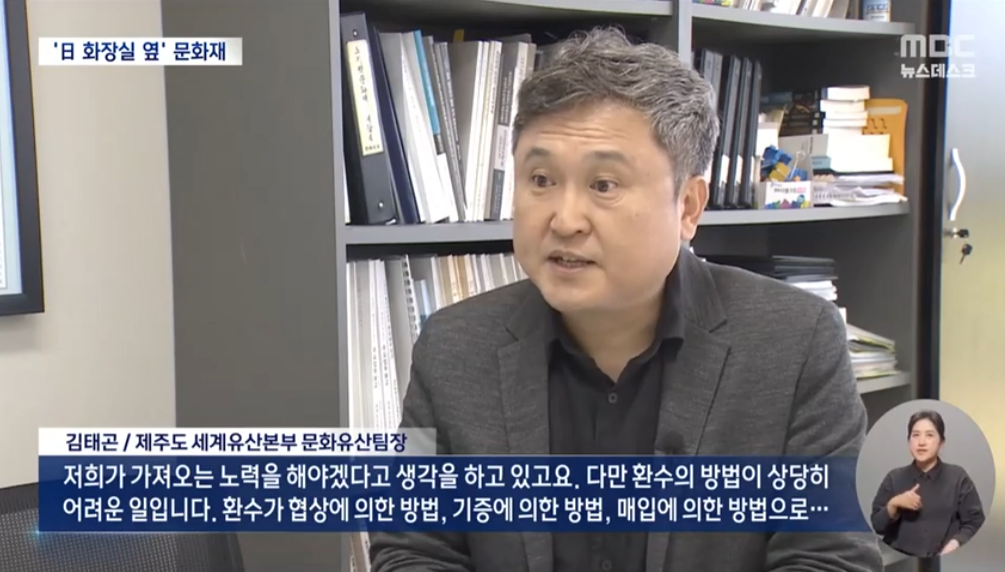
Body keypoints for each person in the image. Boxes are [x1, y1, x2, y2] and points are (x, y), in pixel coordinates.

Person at [369, 27, 880, 572]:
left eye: (604, 185)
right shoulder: (452, 347)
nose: (565, 220)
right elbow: (411, 548)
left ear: (688, 207)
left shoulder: (796, 344)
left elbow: (831, 558)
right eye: (540, 179)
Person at [870, 409, 986, 558]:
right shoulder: (894, 477)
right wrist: (894, 504)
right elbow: (877, 526)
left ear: (941, 442)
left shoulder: (958, 477)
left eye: (929, 435)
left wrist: (956, 543)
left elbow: (975, 521)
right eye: (915, 435)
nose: (921, 442)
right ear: (909, 441)